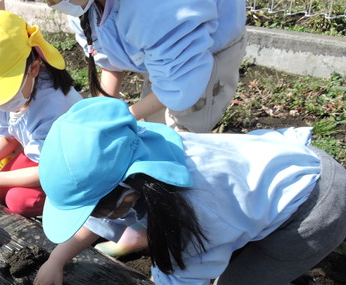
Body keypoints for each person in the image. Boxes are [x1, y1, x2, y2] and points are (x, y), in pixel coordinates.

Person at [32, 97, 346, 285]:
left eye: (98, 207)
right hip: (281, 175)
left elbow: (189, 266)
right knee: (241, 269)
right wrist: (57, 259)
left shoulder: (190, 209)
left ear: (127, 191)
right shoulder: (138, 153)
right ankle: (265, 280)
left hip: (316, 209)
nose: (99, 216)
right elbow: (99, 218)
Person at [46, 0, 247, 258]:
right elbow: (110, 57)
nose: (55, 3)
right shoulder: (86, 7)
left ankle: (181, 231)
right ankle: (144, 226)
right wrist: (101, 113)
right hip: (164, 58)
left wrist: (120, 120)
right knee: (149, 137)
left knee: (177, 150)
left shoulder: (157, 8)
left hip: (202, 60)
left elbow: (181, 87)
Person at [0, 9, 82, 217]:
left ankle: (71, 210)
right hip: (40, 155)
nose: (0, 103)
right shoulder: (9, 93)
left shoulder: (54, 106)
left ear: (34, 69)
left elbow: (49, 170)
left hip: (70, 165)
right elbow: (10, 137)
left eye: (5, 92)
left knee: (20, 202)